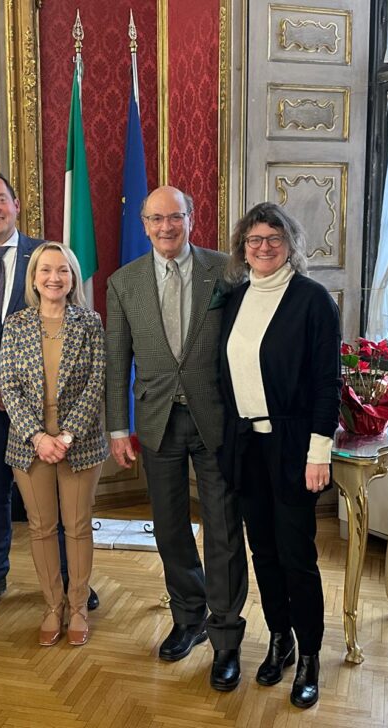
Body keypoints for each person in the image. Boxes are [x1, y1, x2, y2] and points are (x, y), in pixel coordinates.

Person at [105, 185, 248, 691]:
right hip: (157, 421)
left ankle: (226, 636)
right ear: (144, 224)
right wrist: (117, 426)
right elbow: (116, 358)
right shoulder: (123, 283)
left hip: (217, 420)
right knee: (168, 528)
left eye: (176, 217)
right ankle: (189, 620)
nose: (166, 227)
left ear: (192, 217)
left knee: (225, 531)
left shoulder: (226, 271)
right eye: (156, 219)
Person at [0, 171, 99, 614]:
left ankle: (75, 582)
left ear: (16, 204)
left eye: (1, 199)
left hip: (52, 404)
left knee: (65, 502)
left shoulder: (46, 255)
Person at [218, 202, 341, 709]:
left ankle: (309, 654)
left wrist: (320, 452)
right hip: (247, 447)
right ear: (242, 248)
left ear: (290, 244)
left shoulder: (313, 301)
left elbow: (325, 385)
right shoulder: (234, 299)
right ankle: (279, 639)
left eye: (273, 238)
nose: (263, 247)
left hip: (294, 447)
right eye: (254, 239)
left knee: (296, 555)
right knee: (262, 552)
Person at [0, 243, 107, 647]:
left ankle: (78, 605)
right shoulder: (16, 324)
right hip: (29, 443)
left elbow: (97, 383)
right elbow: (7, 386)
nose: (54, 278)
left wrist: (65, 435)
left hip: (78, 443)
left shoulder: (90, 322)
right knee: (42, 528)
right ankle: (52, 605)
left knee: (77, 527)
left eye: (63, 270)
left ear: (73, 277)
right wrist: (38, 436)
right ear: (34, 278)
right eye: (46, 270)